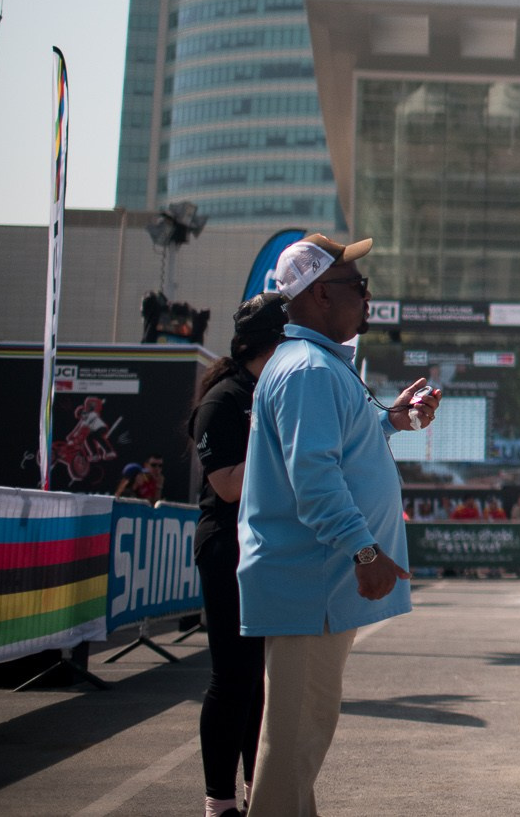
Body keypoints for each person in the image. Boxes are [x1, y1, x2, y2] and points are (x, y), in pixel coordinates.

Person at [238, 234, 442, 817]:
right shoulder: (308, 370)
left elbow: (336, 456)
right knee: (293, 746)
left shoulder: (316, 364)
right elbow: (315, 479)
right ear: (322, 295)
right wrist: (363, 551)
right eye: (358, 286)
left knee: (300, 743)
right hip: (315, 583)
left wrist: (391, 422)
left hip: (317, 584)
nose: (368, 296)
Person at [187, 291, 288, 817]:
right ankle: (219, 800)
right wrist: (282, 446)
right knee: (233, 678)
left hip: (268, 547)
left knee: (260, 682)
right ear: (268, 346)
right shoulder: (224, 398)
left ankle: (257, 793)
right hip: (228, 546)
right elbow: (227, 485)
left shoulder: (273, 391)